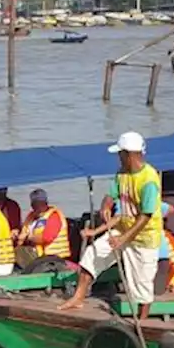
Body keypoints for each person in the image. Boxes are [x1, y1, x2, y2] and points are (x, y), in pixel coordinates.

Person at [59, 132, 162, 319]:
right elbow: (111, 195)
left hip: (144, 238)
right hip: (122, 228)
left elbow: (146, 216)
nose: (118, 158)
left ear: (129, 154)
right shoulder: (122, 174)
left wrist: (124, 238)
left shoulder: (149, 180)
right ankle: (78, 298)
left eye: (120, 154)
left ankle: (143, 321)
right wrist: (105, 205)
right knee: (93, 254)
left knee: (142, 284)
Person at [14, 188, 71, 268]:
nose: (37, 207)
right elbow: (23, 234)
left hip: (53, 259)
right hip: (36, 256)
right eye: (35, 204)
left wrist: (27, 237)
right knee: (15, 251)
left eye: (40, 203)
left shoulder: (53, 216)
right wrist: (18, 237)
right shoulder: (30, 217)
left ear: (45, 203)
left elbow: (46, 238)